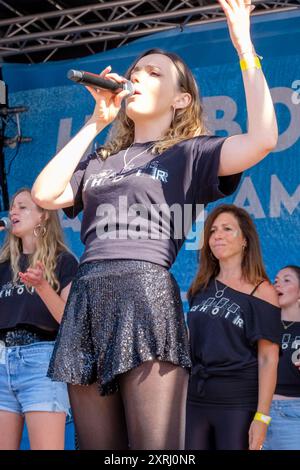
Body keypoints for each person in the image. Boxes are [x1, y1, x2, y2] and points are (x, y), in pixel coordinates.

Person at [31, 0, 278, 450]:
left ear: (182, 99)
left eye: (154, 72)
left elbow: (263, 139)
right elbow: (45, 194)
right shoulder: (103, 160)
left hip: (145, 292)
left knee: (156, 452)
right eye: (136, 70)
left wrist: (244, 46)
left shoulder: (191, 153)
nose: (137, 76)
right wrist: (95, 121)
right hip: (88, 295)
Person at [185, 204, 281, 451]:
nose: (217, 235)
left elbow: (268, 359)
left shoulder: (263, 292)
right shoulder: (200, 288)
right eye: (213, 230)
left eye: (228, 229)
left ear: (245, 241)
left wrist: (261, 417)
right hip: (197, 399)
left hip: (238, 401)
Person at [0, 188, 78, 450]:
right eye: (12, 207)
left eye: (22, 207)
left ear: (43, 216)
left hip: (41, 361)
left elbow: (71, 323)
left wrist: (43, 286)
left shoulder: (63, 261)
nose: (13, 212)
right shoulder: (2, 265)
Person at [263, 265, 300, 450]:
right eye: (276, 281)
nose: (278, 285)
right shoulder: (263, 326)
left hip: (294, 415)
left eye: (287, 280)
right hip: (258, 413)